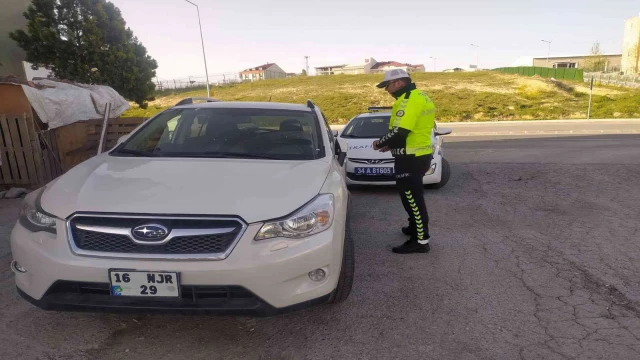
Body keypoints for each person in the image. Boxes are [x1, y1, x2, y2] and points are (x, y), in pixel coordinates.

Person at [372, 69, 436, 254]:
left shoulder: (408, 100)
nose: (387, 90)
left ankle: (420, 241)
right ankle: (414, 227)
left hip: (410, 158)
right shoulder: (422, 96)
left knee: (412, 200)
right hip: (418, 154)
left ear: (399, 83)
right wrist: (390, 146)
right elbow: (412, 130)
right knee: (412, 197)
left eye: (387, 86)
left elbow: (401, 131)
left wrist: (380, 143)